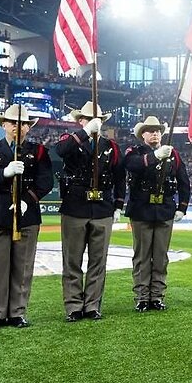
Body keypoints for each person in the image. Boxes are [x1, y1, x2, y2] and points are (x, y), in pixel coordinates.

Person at [0, 105, 53, 331]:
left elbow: (46, 182)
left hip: (27, 215)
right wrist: (3, 173)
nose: (18, 126)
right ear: (3, 124)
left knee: (22, 268)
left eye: (24, 123)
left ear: (29, 127)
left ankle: (17, 312)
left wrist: (26, 199)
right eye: (13, 122)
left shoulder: (39, 152)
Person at [54, 102, 126, 322]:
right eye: (88, 119)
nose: (94, 123)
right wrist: (85, 133)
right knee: (72, 260)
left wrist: (118, 205)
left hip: (102, 208)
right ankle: (74, 306)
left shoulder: (111, 147)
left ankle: (93, 305)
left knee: (98, 261)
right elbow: (60, 152)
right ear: (80, 121)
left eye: (98, 120)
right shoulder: (71, 140)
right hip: (75, 207)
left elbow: (119, 177)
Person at [122, 116, 190, 312]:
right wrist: (155, 156)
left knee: (160, 256)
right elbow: (131, 165)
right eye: (150, 130)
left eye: (158, 130)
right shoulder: (134, 151)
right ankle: (142, 297)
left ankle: (157, 296)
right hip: (142, 210)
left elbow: (183, 181)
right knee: (142, 256)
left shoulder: (173, 154)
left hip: (165, 210)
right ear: (142, 134)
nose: (155, 133)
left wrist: (182, 207)